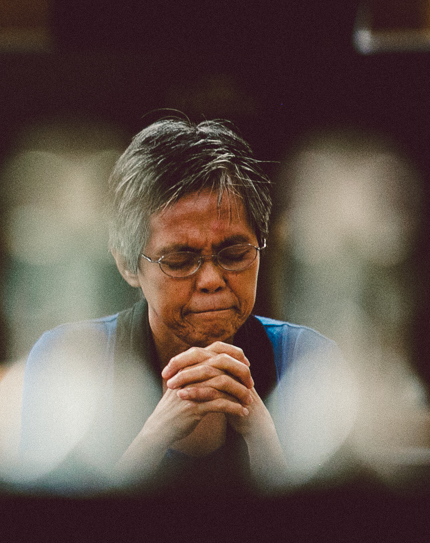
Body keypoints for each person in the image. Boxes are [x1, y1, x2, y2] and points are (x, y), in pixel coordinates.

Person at [19, 119, 353, 491]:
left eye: (235, 253)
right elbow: (47, 536)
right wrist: (151, 440)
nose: (211, 280)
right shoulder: (70, 363)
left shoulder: (308, 362)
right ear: (127, 265)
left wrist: (263, 440)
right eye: (179, 260)